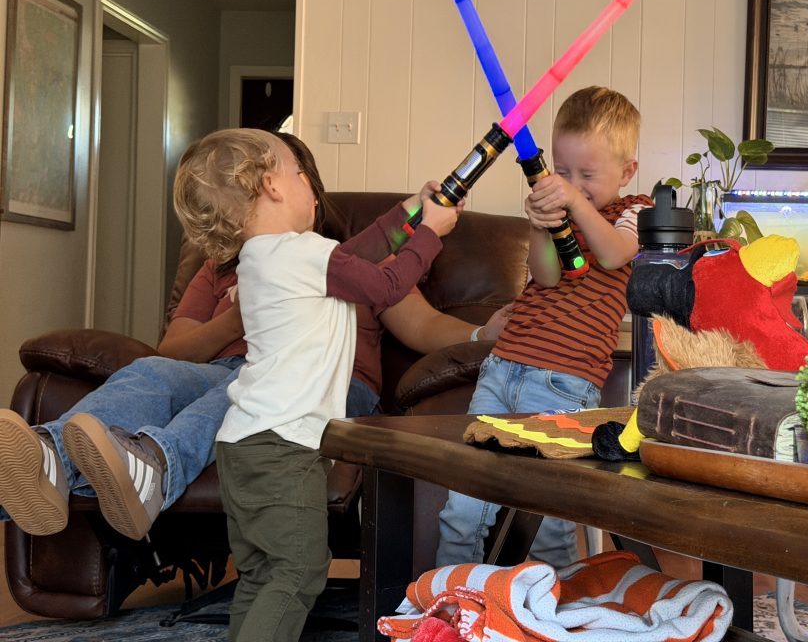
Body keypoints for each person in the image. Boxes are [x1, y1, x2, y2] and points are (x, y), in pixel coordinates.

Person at [0, 132, 505, 543]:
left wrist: (482, 331)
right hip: (233, 370)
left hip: (327, 387)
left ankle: (156, 465)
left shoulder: (334, 259)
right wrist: (237, 316)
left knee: (240, 390)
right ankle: (47, 459)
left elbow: (413, 315)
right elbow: (172, 351)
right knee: (151, 373)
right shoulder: (232, 267)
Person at [172, 128, 458, 641]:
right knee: (299, 572)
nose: (310, 183)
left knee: (261, 575)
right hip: (282, 449)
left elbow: (358, 253)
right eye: (300, 171)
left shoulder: (268, 257)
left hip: (243, 445)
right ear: (272, 185)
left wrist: (411, 208)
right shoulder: (301, 257)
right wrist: (430, 233)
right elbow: (388, 283)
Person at [435, 85, 652, 569]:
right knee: (463, 509)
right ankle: (452, 608)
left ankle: (553, 618)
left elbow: (616, 253)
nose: (573, 182)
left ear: (627, 170)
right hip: (502, 368)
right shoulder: (562, 213)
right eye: (563, 170)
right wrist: (538, 223)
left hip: (563, 383)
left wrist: (573, 201)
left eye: (588, 174)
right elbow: (548, 277)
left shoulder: (636, 211)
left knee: (548, 522)